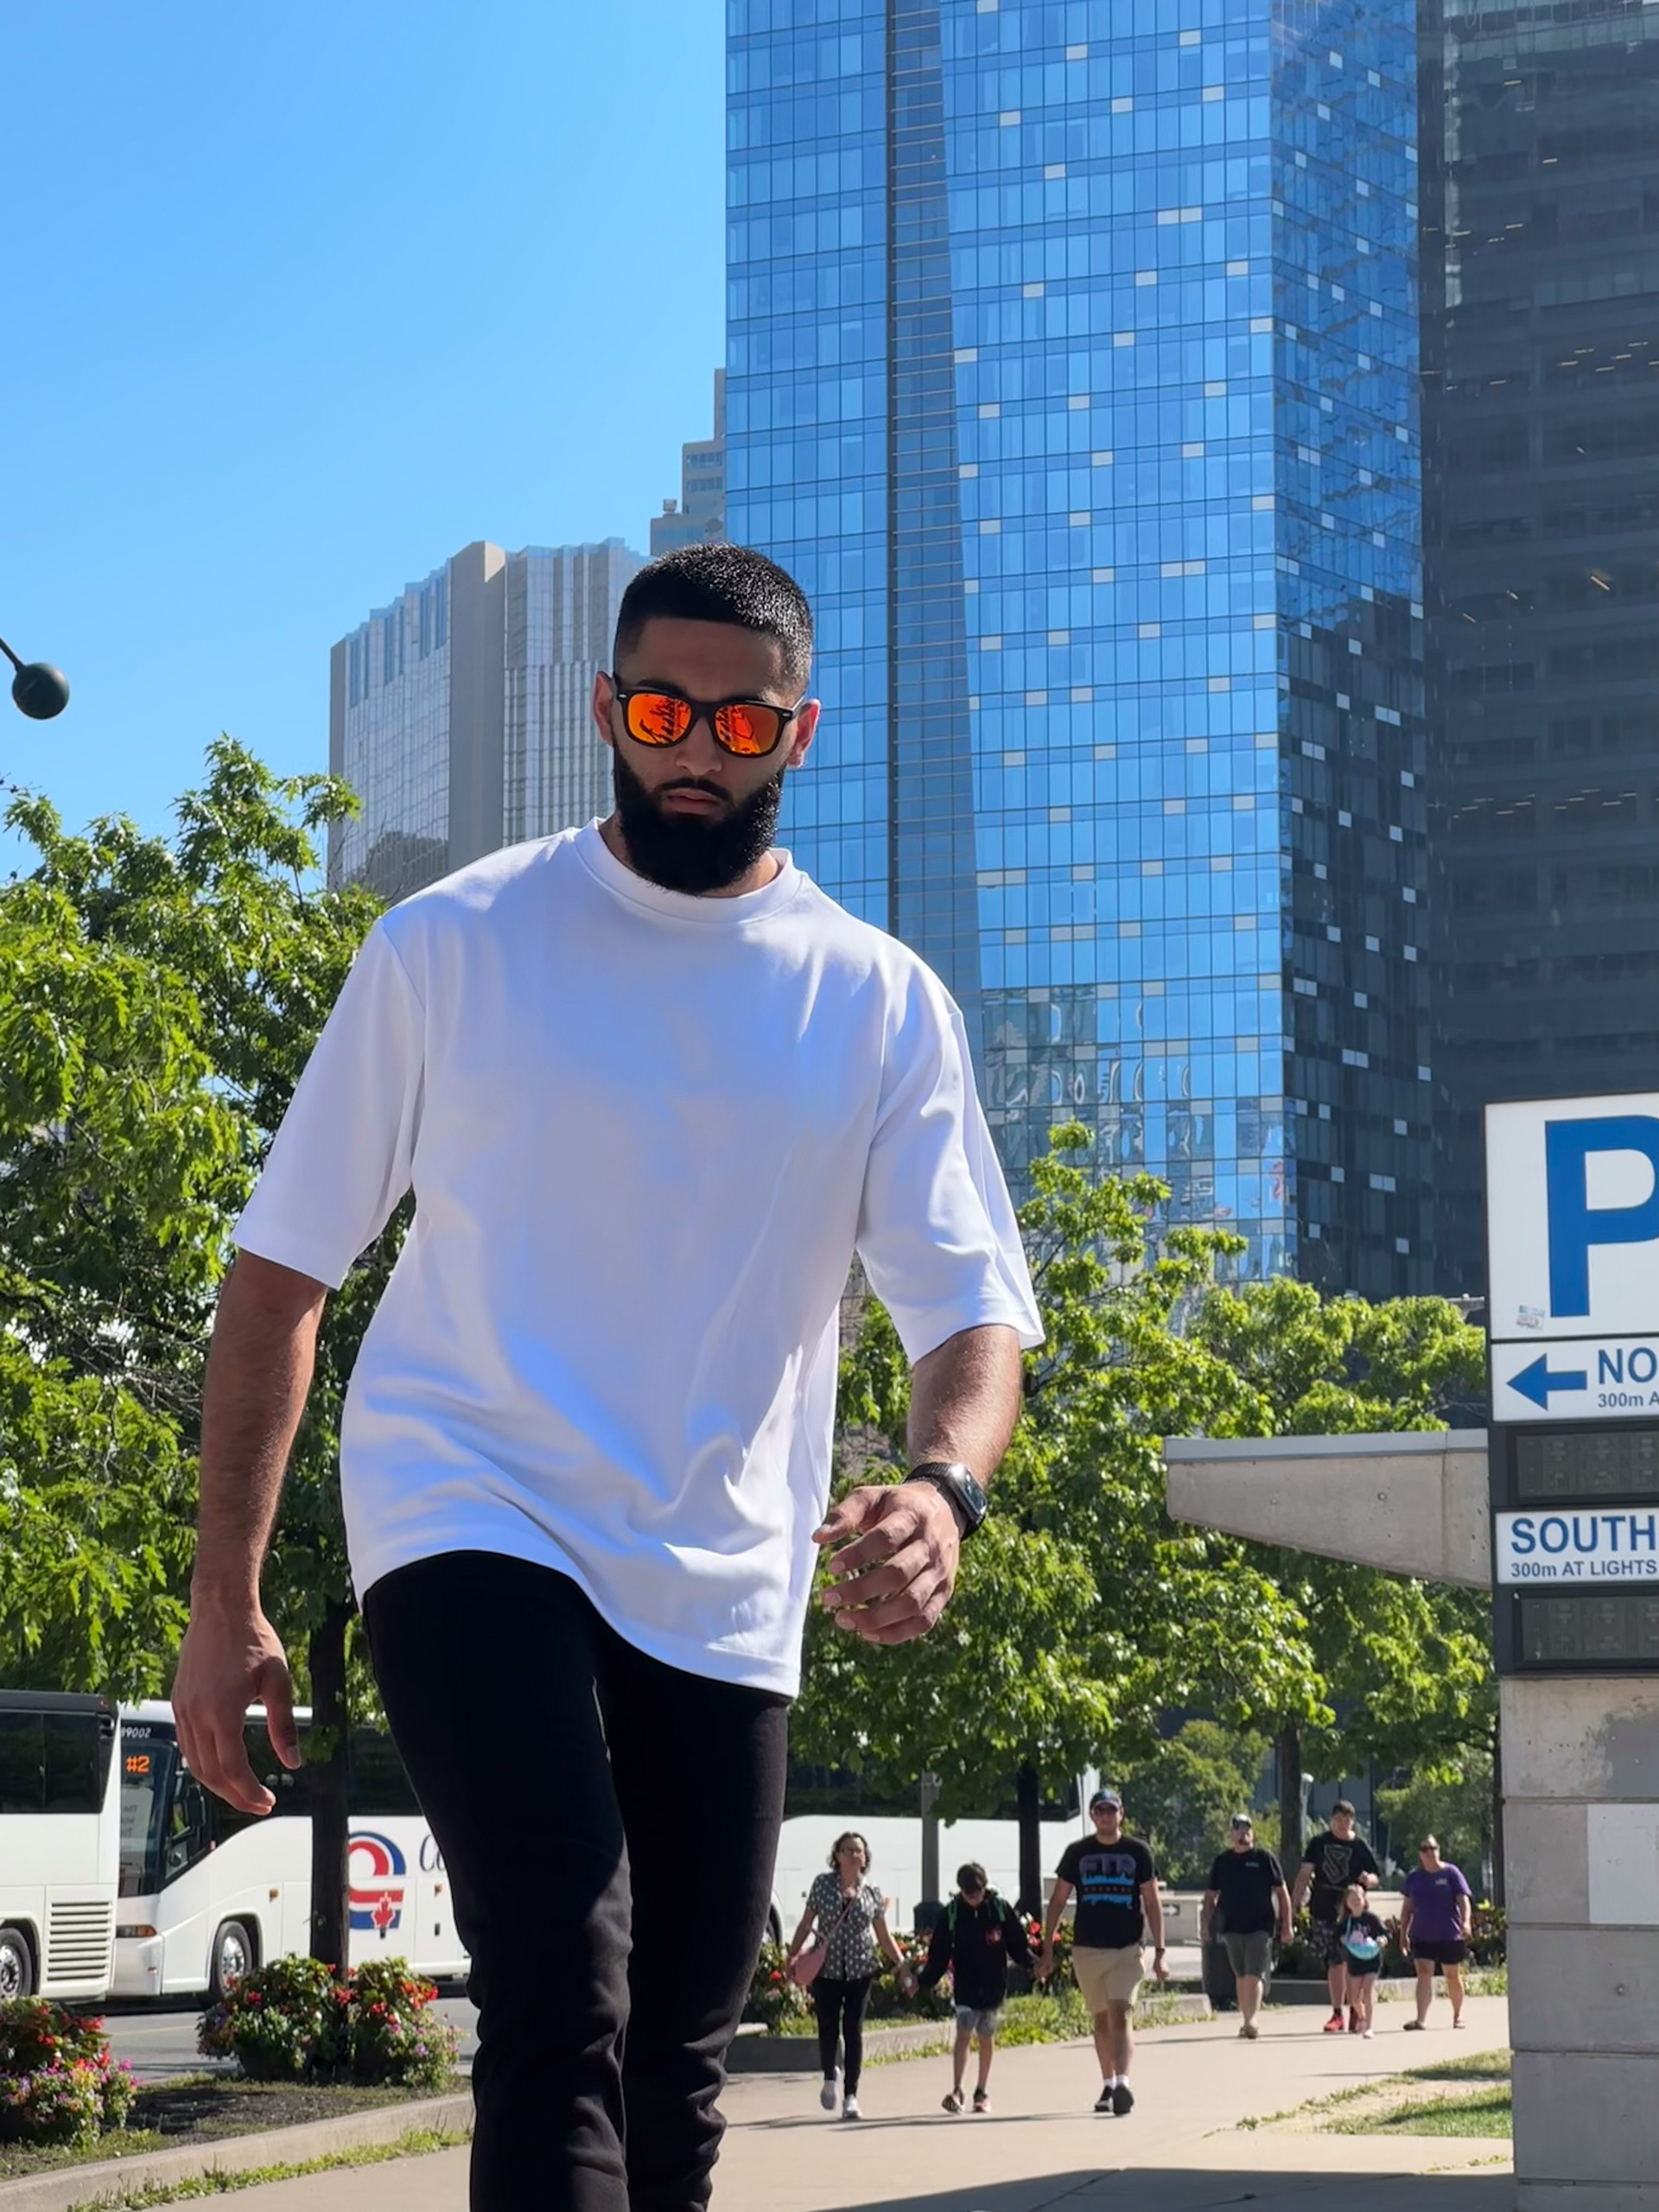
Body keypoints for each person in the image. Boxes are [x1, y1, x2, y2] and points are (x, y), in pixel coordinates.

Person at [168, 543, 1042, 2212]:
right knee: (565, 1964)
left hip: (721, 1560)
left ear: (800, 734)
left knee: (679, 2047)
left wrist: (944, 1490)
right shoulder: (454, 943)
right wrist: (229, 1593)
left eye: (739, 720)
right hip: (464, 1497)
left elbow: (969, 1321)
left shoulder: (877, 1003)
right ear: (604, 712)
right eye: (660, 709)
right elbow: (280, 1274)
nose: (695, 749)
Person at [1039, 1787, 1166, 2116]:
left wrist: (1160, 1951)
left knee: (1121, 2013)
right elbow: (1058, 1900)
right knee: (1101, 2020)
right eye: (1100, 1811)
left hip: (1126, 1948)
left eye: (1112, 1811)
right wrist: (1047, 1947)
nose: (1107, 1816)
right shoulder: (1077, 1853)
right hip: (1087, 1948)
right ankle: (1108, 2083)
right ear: (1093, 1816)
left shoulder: (1138, 1852)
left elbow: (1151, 1901)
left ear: (1121, 1814)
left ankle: (1123, 2082)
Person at [785, 1833, 912, 2120]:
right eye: (847, 1850)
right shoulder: (823, 1885)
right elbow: (807, 1924)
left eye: (858, 1851)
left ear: (865, 1857)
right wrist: (792, 1954)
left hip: (860, 1970)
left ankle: (851, 2096)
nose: (853, 1855)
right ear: (838, 1856)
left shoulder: (872, 1892)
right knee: (828, 2027)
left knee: (853, 2030)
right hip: (826, 1969)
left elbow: (882, 1934)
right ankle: (830, 2078)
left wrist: (901, 1963)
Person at [917, 1859, 1031, 2114]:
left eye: (978, 1891)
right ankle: (957, 2089)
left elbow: (1017, 1944)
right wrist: (924, 1980)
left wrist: (1033, 1963)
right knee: (964, 2031)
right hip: (966, 1984)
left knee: (986, 2036)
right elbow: (939, 1954)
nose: (974, 1897)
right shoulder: (952, 1913)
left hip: (994, 1984)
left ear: (985, 1886)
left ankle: (982, 2090)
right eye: (969, 1893)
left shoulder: (999, 1910)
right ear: (961, 1891)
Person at [1291, 1799, 1381, 2035]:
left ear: (1353, 1821)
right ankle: (1337, 2012)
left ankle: (1355, 2010)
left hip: (1353, 1912)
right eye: (1338, 1819)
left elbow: (1375, 1877)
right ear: (1331, 1820)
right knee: (1334, 1962)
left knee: (1352, 1961)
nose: (1342, 1824)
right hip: (1324, 1907)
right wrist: (1294, 1904)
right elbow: (1304, 1875)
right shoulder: (1318, 1843)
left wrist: (1367, 1879)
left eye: (1347, 1819)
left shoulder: (1360, 1847)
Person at [1201, 1814, 1293, 2040]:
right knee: (1241, 1975)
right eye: (1239, 1829)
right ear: (1231, 1834)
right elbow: (1210, 1897)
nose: (1244, 1833)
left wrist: (1287, 1925)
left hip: (1260, 1926)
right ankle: (1246, 2020)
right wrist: (1205, 1926)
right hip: (1231, 1926)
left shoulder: (1264, 1858)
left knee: (1254, 1973)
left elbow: (1283, 1893)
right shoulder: (1223, 1861)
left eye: (1247, 1829)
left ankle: (1252, 2020)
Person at [1401, 1834, 1474, 2031]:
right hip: (1422, 1935)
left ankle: (1458, 2015)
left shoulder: (1451, 1873)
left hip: (1449, 1933)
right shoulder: (1414, 1878)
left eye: (1433, 1848)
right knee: (1424, 1974)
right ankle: (1421, 2019)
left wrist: (1466, 1923)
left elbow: (1463, 1901)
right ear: (1420, 1854)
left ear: (1438, 1850)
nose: (1429, 1852)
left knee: (1452, 1975)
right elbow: (1407, 1908)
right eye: (1425, 1849)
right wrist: (1403, 1935)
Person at [1336, 1882, 1387, 2038]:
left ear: (1364, 1900)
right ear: (1347, 1904)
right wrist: (1342, 1940)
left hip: (1372, 1959)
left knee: (1368, 1992)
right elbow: (1337, 1936)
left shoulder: (1372, 1918)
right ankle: (1362, 2017)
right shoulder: (1346, 1922)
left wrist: (1381, 1940)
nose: (1356, 1903)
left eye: (1359, 1899)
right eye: (1352, 1900)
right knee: (1354, 1998)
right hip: (1355, 1961)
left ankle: (1369, 2027)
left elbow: (1385, 1934)